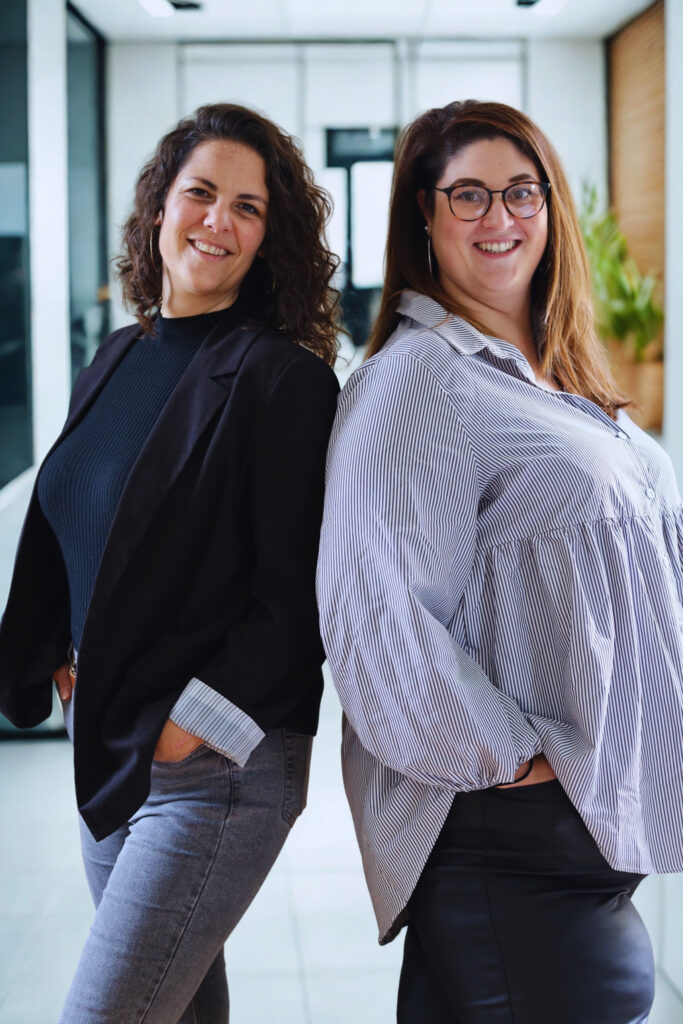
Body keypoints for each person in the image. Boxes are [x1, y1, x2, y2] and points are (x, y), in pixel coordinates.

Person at [317, 99, 683, 1023]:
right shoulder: (419, 381)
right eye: (468, 195)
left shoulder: (550, 375)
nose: (500, 217)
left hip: (575, 831)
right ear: (424, 213)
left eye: (522, 191)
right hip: (513, 836)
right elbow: (375, 618)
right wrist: (521, 765)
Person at [0, 102, 340, 1023]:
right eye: (200, 193)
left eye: (247, 207)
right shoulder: (120, 354)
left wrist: (187, 730)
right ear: (159, 208)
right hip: (109, 737)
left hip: (215, 764)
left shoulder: (283, 380)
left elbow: (295, 600)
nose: (217, 220)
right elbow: (73, 517)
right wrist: (59, 658)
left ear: (269, 238)